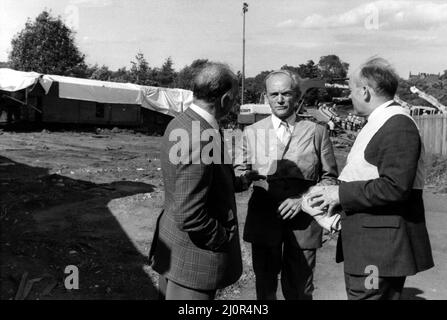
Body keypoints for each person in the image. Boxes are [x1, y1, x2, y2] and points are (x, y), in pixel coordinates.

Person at [308, 57, 434, 300]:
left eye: (352, 90)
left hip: (377, 252)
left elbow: (395, 187)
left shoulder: (396, 125)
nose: (350, 97)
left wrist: (338, 194)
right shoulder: (382, 122)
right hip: (372, 248)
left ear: (365, 91)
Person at [149, 62, 260, 300]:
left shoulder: (182, 122)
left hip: (175, 250)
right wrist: (221, 237)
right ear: (226, 98)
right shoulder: (201, 137)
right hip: (193, 260)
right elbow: (189, 212)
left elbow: (193, 181)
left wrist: (240, 182)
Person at [234, 69, 338, 300]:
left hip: (304, 224)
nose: (280, 99)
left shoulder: (316, 132)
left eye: (286, 93)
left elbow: (330, 179)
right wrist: (244, 177)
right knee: (265, 289)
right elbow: (239, 174)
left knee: (300, 290)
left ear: (297, 96)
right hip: (264, 222)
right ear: (266, 97)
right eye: (274, 94)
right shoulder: (252, 133)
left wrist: (303, 201)